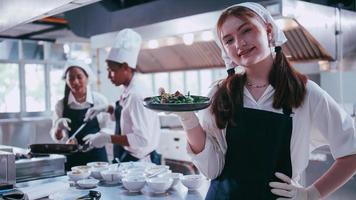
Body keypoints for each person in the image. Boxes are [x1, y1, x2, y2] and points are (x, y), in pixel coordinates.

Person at [172, 2, 356, 200]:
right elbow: (211, 169)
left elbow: (352, 153)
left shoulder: (305, 93)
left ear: (268, 30)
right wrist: (188, 120)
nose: (239, 43)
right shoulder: (218, 93)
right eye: (228, 40)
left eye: (246, 30)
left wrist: (311, 194)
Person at [83, 29, 162, 164]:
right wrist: (106, 108)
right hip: (129, 158)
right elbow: (125, 115)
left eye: (112, 71)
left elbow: (141, 140)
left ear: (125, 67)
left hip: (140, 164)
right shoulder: (128, 88)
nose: (108, 76)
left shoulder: (136, 95)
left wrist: (108, 138)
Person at [50, 60, 114, 171]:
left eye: (79, 77)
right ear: (66, 81)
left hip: (97, 159)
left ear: (87, 78)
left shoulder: (99, 100)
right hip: (72, 162)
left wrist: (98, 138)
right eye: (71, 78)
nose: (75, 82)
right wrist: (58, 128)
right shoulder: (60, 105)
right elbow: (57, 138)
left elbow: (109, 128)